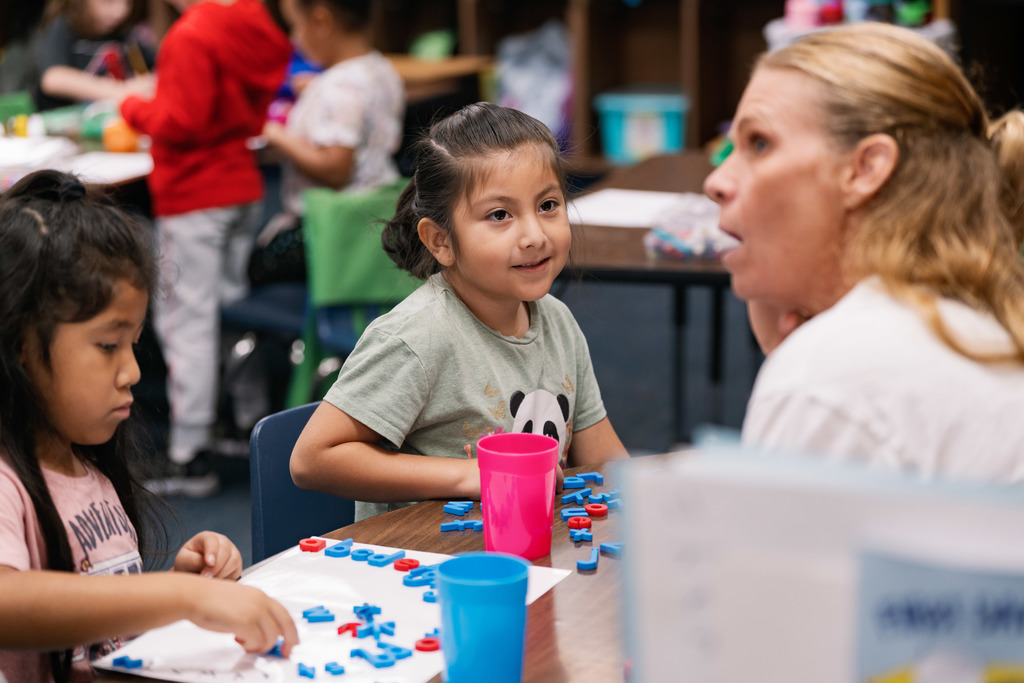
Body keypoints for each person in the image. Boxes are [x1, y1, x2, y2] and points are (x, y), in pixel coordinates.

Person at [0, 170, 298, 683]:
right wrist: (181, 596)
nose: (134, 372)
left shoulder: (86, 465)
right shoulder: (8, 482)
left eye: (134, 345)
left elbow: (97, 619)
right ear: (22, 348)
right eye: (108, 346)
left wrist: (172, 587)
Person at [703, 22, 1024, 481]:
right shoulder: (986, 314)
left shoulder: (829, 378)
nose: (717, 181)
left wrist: (800, 375)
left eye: (759, 143)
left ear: (865, 168)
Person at [290, 102, 629, 520]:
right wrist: (470, 476)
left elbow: (606, 463)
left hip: (530, 554)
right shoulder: (417, 337)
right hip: (429, 568)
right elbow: (312, 459)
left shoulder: (557, 320)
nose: (534, 235)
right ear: (441, 242)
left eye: (548, 205)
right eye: (500, 215)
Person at [119, 0, 291, 496]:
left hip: (195, 193)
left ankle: (189, 455)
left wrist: (131, 106)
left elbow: (180, 120)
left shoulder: (191, 35)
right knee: (231, 308)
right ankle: (246, 422)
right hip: (242, 185)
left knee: (185, 320)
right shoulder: (262, 22)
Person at [248, 0, 404, 285]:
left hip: (328, 230)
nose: (294, 38)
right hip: (373, 219)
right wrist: (319, 87)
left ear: (322, 21)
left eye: (295, 25)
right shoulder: (380, 68)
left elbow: (336, 170)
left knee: (253, 267)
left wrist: (276, 134)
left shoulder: (338, 88)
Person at [34, 0, 155, 110]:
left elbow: (158, 66)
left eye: (127, 2)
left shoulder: (125, 35)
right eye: (109, 2)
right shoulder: (66, 27)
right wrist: (119, 90)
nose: (120, 12)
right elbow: (52, 78)